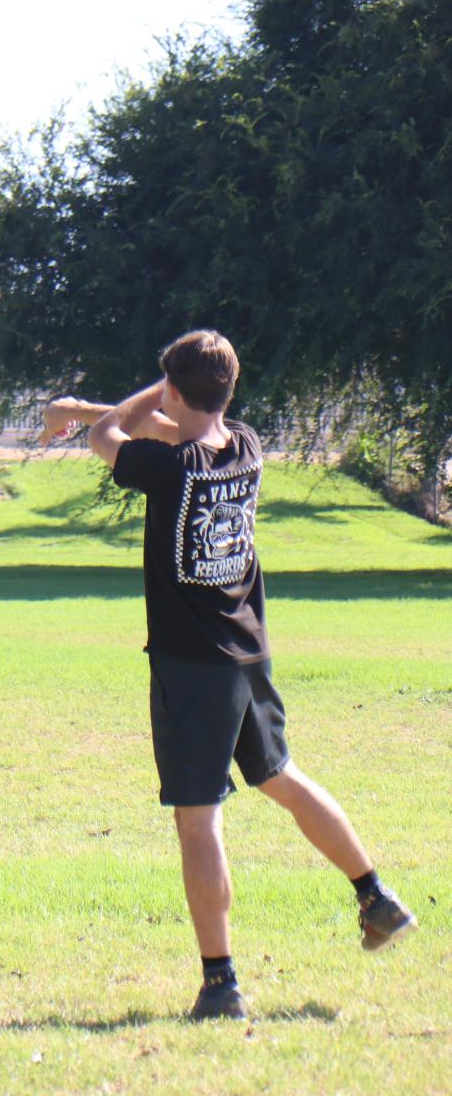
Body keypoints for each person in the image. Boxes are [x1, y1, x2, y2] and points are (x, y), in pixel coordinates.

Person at [44, 330, 415, 1021]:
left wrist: (104, 407)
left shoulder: (166, 467)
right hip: (248, 656)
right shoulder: (243, 446)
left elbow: (108, 433)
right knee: (282, 779)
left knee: (198, 818)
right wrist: (128, 399)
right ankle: (374, 894)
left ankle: (220, 984)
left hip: (191, 667)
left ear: (176, 393)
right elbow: (164, 422)